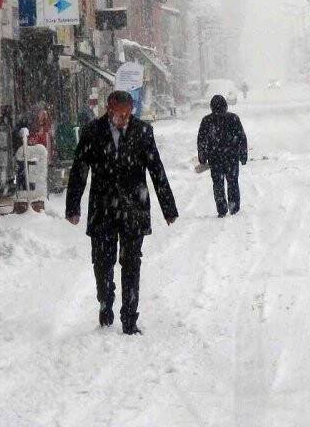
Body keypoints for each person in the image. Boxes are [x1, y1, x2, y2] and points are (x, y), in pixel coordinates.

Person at [65, 91, 178, 335]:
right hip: (102, 209)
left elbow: (156, 169)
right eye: (119, 114)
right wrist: (73, 207)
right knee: (102, 263)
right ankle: (106, 302)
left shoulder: (143, 132)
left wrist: (168, 207)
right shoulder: (92, 132)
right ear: (109, 110)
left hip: (133, 209)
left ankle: (129, 318)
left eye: (128, 114)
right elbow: (79, 171)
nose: (123, 119)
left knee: (131, 264)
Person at [197, 94, 247, 217]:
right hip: (232, 157)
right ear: (225, 105)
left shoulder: (207, 121)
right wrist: (243, 154)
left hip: (215, 158)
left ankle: (222, 209)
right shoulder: (233, 118)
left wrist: (202, 157)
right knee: (233, 182)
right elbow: (241, 137)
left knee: (218, 184)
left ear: (211, 107)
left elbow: (201, 140)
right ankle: (234, 207)